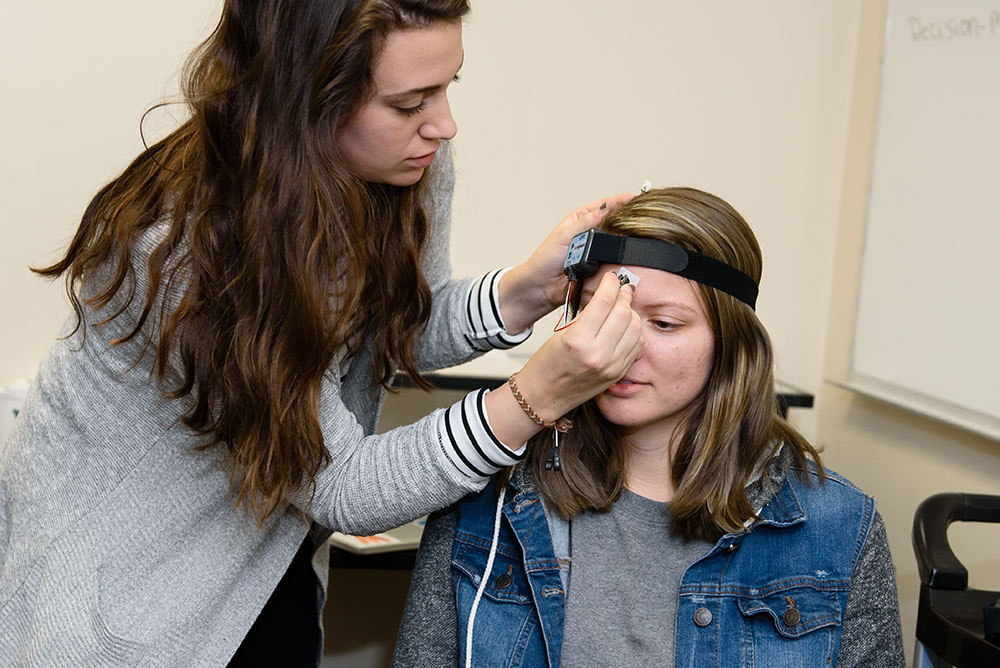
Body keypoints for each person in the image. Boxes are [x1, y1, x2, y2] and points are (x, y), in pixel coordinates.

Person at [0, 1, 644, 665]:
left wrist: (528, 289)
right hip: (123, 602)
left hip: (265, 551)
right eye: (408, 103)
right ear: (306, 98)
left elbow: (389, 334)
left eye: (449, 86)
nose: (443, 125)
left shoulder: (399, 167)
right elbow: (342, 487)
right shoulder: (195, 249)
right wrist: (535, 395)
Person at [392, 187, 907, 668]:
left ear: (732, 343)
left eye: (663, 323)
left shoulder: (838, 528)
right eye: (600, 310)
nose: (620, 344)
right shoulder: (490, 495)